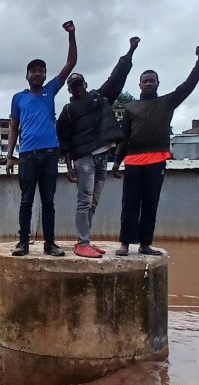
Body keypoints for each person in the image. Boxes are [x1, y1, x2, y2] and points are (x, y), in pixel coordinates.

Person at [111, 45, 199, 256]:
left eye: (152, 81)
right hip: (134, 162)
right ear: (139, 84)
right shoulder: (131, 107)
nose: (148, 83)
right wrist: (117, 162)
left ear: (157, 84)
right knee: (129, 204)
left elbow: (188, 85)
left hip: (156, 161)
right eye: (145, 81)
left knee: (150, 204)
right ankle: (125, 244)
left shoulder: (167, 102)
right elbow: (123, 137)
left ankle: (145, 244)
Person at [56, 37, 140, 258]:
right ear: (70, 90)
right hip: (84, 159)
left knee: (93, 201)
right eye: (73, 86)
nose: (78, 88)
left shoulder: (100, 98)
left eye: (80, 84)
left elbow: (117, 76)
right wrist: (69, 165)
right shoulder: (67, 110)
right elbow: (63, 139)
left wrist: (130, 50)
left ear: (85, 84)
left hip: (103, 157)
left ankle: (85, 241)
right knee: (84, 200)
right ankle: (82, 242)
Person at [5, 20, 77, 257]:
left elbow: (71, 63)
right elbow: (14, 128)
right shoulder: (18, 98)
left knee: (48, 202)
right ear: (27, 75)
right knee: (26, 201)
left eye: (41, 70)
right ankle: (23, 243)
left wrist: (71, 35)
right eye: (34, 70)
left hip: (49, 153)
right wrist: (8, 157)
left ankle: (50, 244)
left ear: (45, 75)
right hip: (26, 155)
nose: (37, 73)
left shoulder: (51, 90)